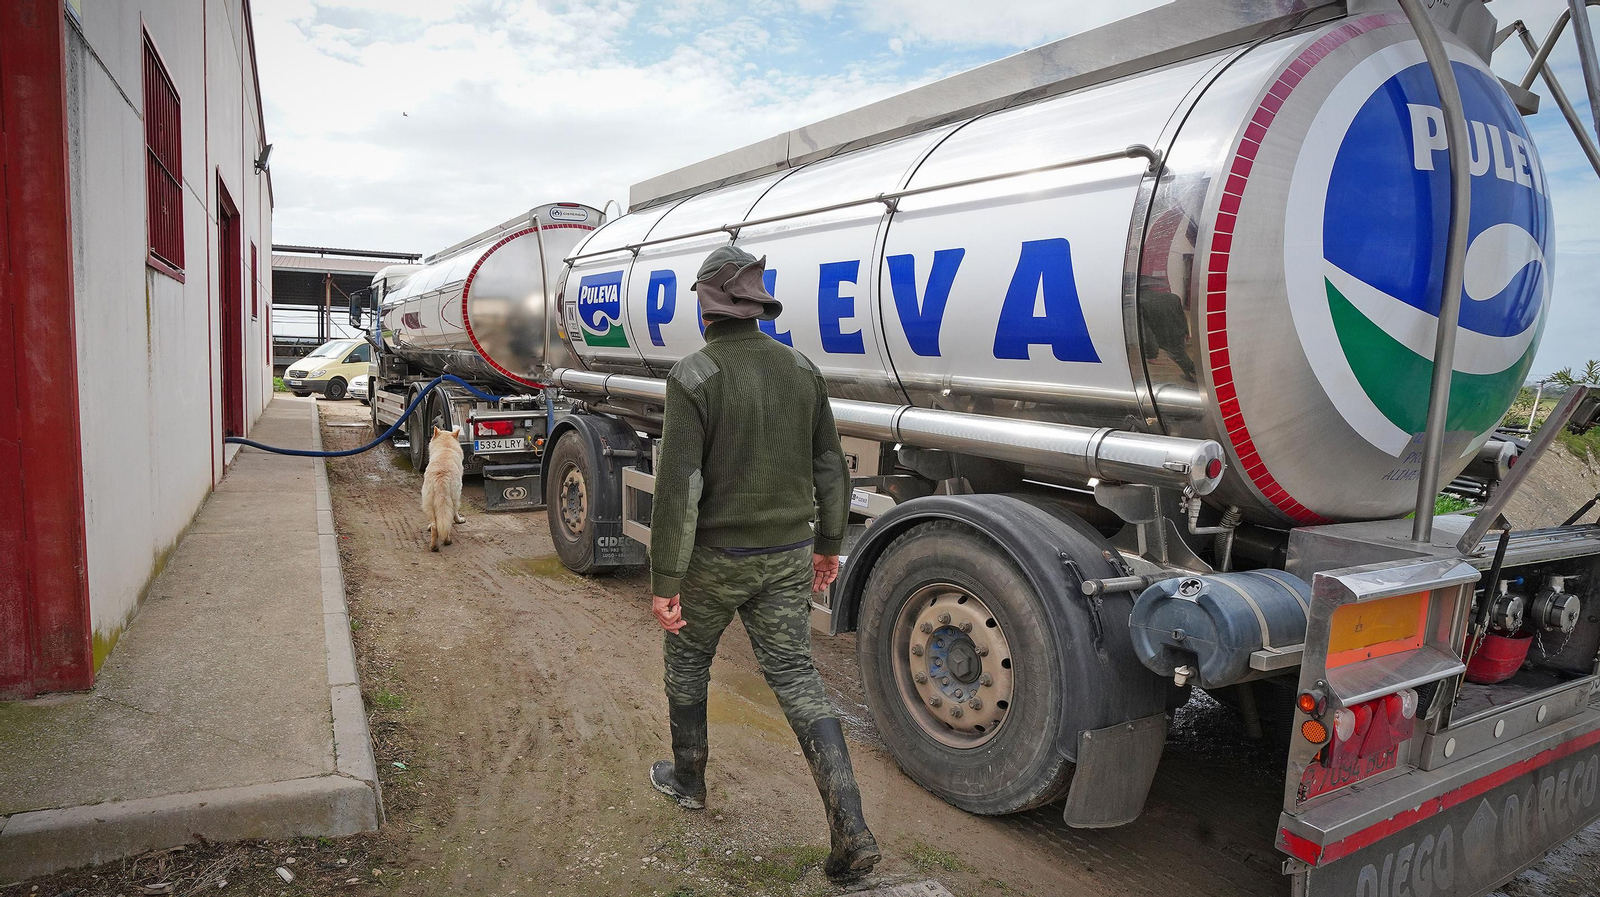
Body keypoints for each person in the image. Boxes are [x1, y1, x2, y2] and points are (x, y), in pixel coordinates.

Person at [646, 245, 879, 881]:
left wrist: (666, 580)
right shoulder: (801, 370)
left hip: (714, 561)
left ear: (708, 308)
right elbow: (831, 463)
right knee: (797, 677)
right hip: (786, 556)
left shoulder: (693, 376)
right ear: (755, 309)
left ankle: (688, 781)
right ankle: (851, 828)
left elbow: (679, 485)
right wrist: (830, 544)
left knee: (688, 661)